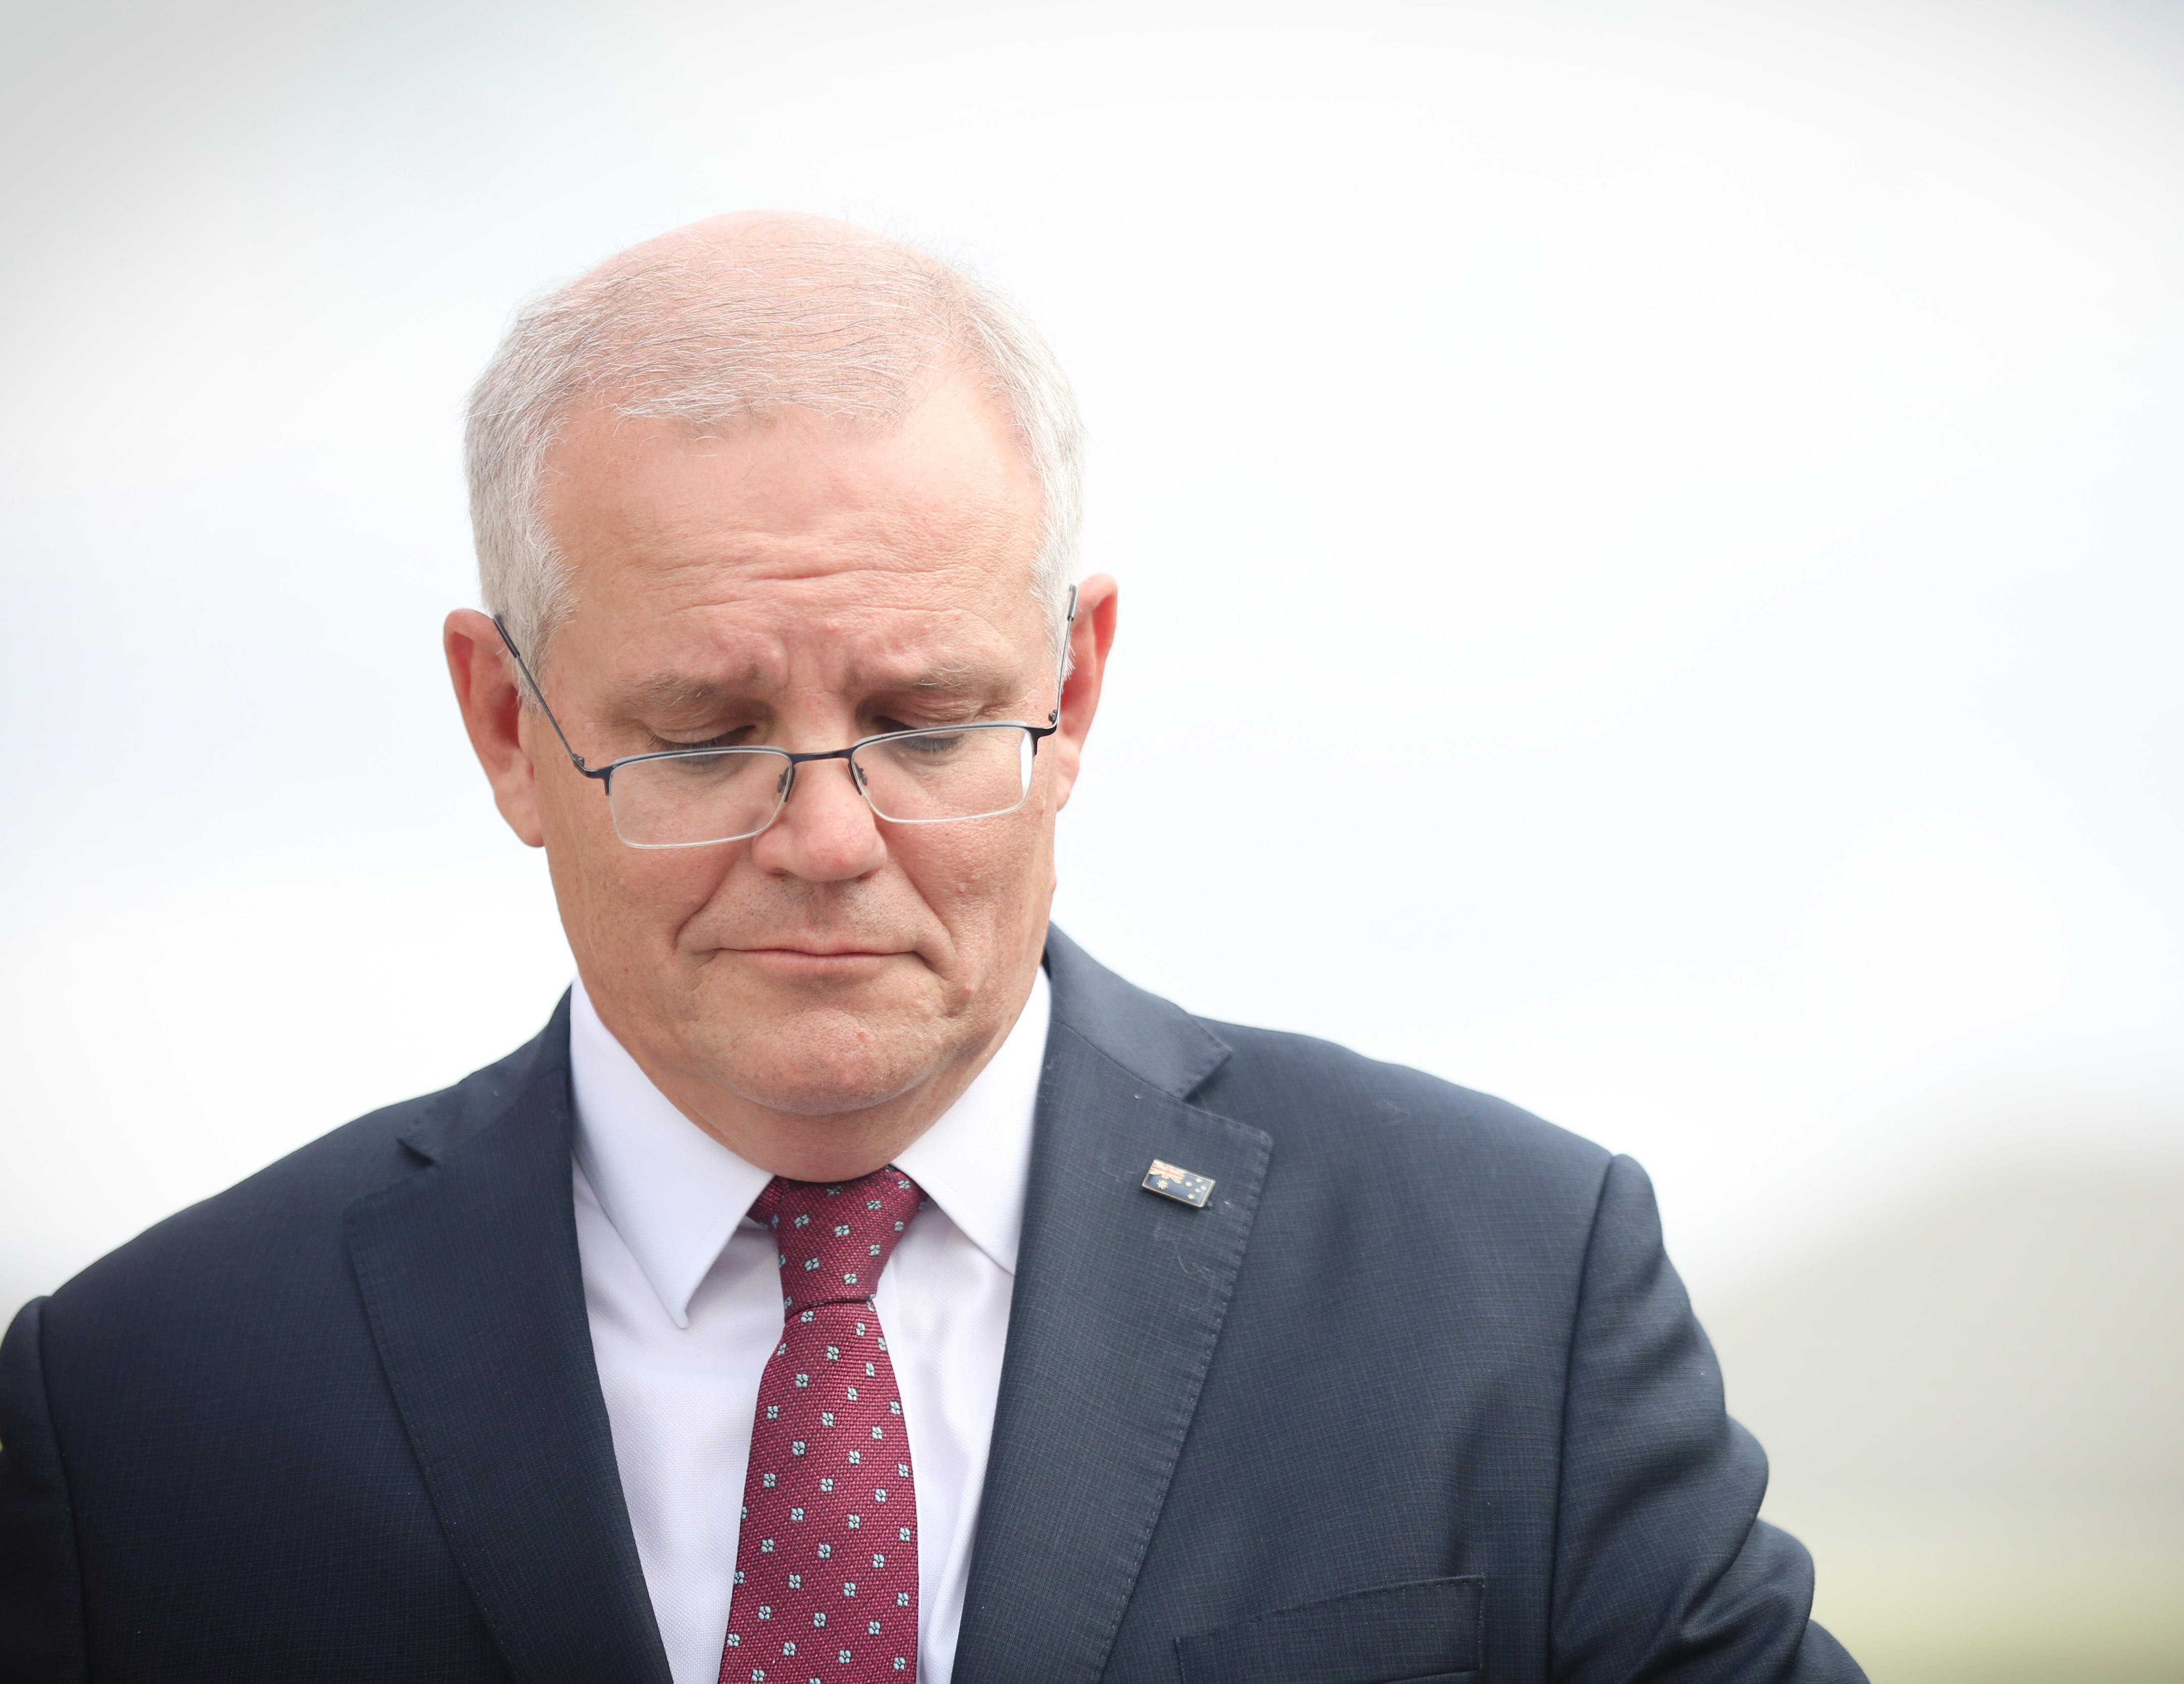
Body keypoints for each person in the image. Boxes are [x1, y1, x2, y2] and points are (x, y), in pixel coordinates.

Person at [0, 213, 1864, 1684]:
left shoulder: (1506, 1295)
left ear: (1078, 684)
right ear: (506, 726)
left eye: (927, 721)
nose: (828, 837)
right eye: (706, 734)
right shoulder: (145, 1410)